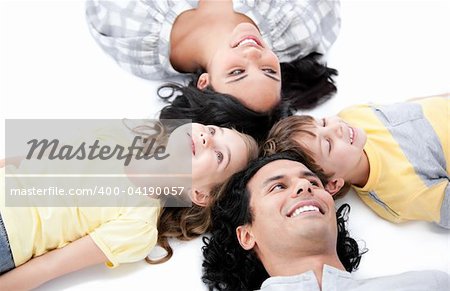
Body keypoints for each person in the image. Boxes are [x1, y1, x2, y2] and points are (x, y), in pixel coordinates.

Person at [0, 122, 258, 289]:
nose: (207, 138)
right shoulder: (110, 137)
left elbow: (49, 266)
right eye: (214, 130)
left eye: (219, 155)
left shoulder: (138, 227)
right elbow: (25, 161)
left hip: (8, 234)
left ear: (200, 194)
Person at [86, 0, 339, 139]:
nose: (253, 54)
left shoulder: (132, 31)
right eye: (269, 71)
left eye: (237, 73)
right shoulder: (299, 26)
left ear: (204, 83)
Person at [202, 151, 450, 290]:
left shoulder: (430, 284)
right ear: (247, 235)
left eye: (313, 183)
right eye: (278, 186)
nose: (304, 186)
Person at [263, 95, 450, 228]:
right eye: (327, 144)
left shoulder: (352, 115)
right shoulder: (400, 194)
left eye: (323, 123)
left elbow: (415, 105)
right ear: (333, 184)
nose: (337, 127)